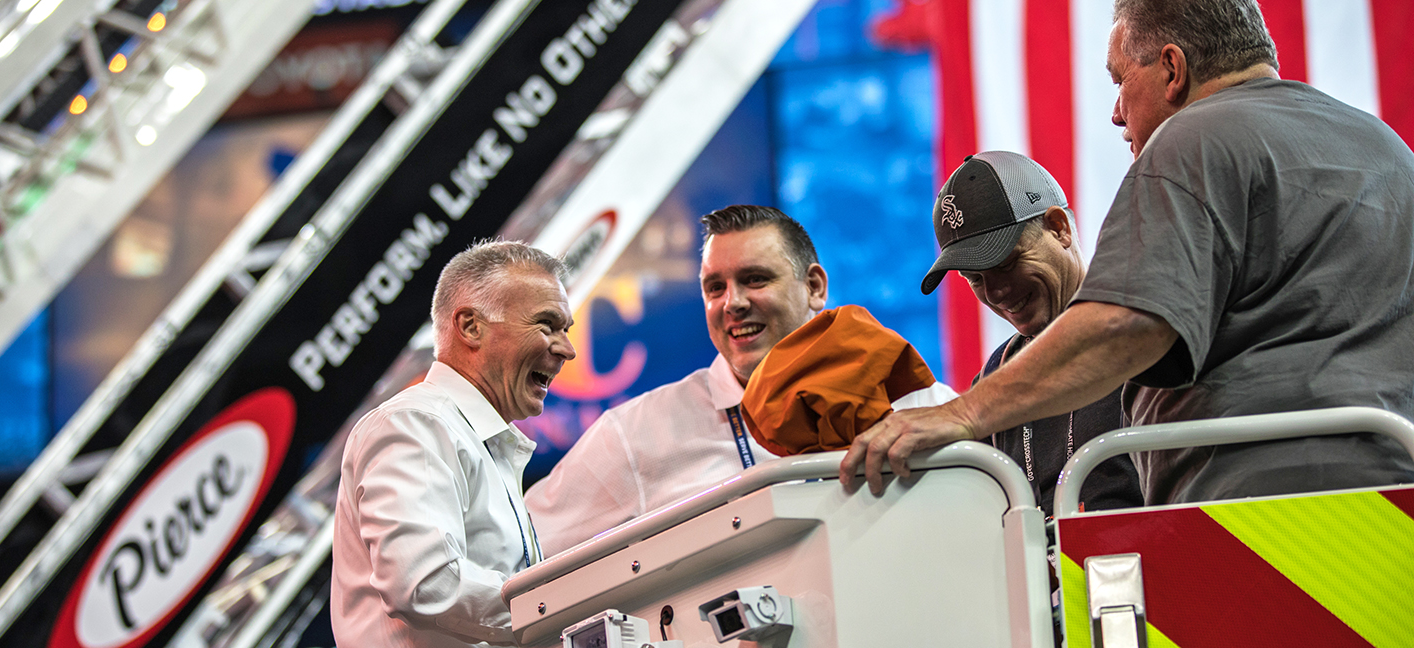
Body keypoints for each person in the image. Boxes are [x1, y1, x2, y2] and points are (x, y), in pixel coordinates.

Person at [842, 0, 1414, 505]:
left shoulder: (1194, 139)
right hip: (1393, 500)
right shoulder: (1386, 148)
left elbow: (1124, 325)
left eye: (1119, 80)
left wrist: (959, 415)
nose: (1116, 112)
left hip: (1265, 518)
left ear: (1172, 68)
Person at [526, 205, 958, 555]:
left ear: (814, 286)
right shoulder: (638, 435)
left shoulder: (912, 401)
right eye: (715, 287)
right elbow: (523, 555)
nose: (732, 303)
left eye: (755, 279)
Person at [331, 241, 576, 648]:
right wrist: (561, 605)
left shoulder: (480, 441)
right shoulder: (416, 424)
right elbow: (424, 582)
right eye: (547, 325)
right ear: (470, 326)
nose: (567, 349)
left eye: (565, 330)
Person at [922, 150, 1142, 514]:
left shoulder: (1142, 331)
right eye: (975, 278)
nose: (995, 292)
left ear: (1059, 228)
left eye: (1006, 263)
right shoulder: (996, 375)